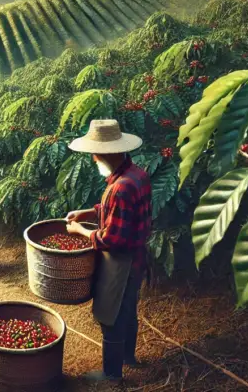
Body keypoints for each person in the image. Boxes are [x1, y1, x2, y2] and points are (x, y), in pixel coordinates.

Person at [63, 119, 151, 386]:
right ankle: (128, 357)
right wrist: (89, 212)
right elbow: (117, 212)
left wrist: (79, 230)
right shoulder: (135, 174)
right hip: (136, 260)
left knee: (111, 316)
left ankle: (111, 375)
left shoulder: (121, 187)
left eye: (95, 153)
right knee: (128, 310)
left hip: (121, 263)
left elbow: (111, 238)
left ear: (109, 153)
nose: (93, 158)